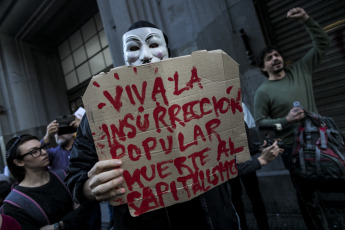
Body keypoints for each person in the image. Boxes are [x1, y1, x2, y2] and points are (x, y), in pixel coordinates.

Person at [65, 20, 281, 230]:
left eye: (153, 45)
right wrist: (88, 188)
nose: (145, 56)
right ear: (124, 57)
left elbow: (233, 148)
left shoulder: (205, 95)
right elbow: (76, 173)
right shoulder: (99, 111)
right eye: (133, 47)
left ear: (167, 50)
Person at [254, 7, 331, 230]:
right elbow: (261, 123)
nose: (275, 59)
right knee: (307, 197)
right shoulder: (263, 92)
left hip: (320, 141)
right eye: (269, 58)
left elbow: (323, 43)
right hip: (293, 150)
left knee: (332, 185)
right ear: (262, 67)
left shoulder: (301, 70)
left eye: (277, 55)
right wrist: (285, 121)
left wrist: (306, 19)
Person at [2, 134, 93, 230]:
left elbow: (87, 208)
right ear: (19, 162)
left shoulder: (64, 176)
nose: (44, 152)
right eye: (34, 151)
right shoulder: (14, 203)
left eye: (42, 147)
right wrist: (75, 214)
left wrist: (58, 225)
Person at [42, 117, 102, 229]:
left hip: (89, 200)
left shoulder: (84, 150)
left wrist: (84, 131)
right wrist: (47, 136)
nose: (59, 134)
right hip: (66, 204)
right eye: (57, 132)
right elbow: (38, 155)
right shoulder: (53, 153)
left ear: (72, 131)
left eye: (64, 131)